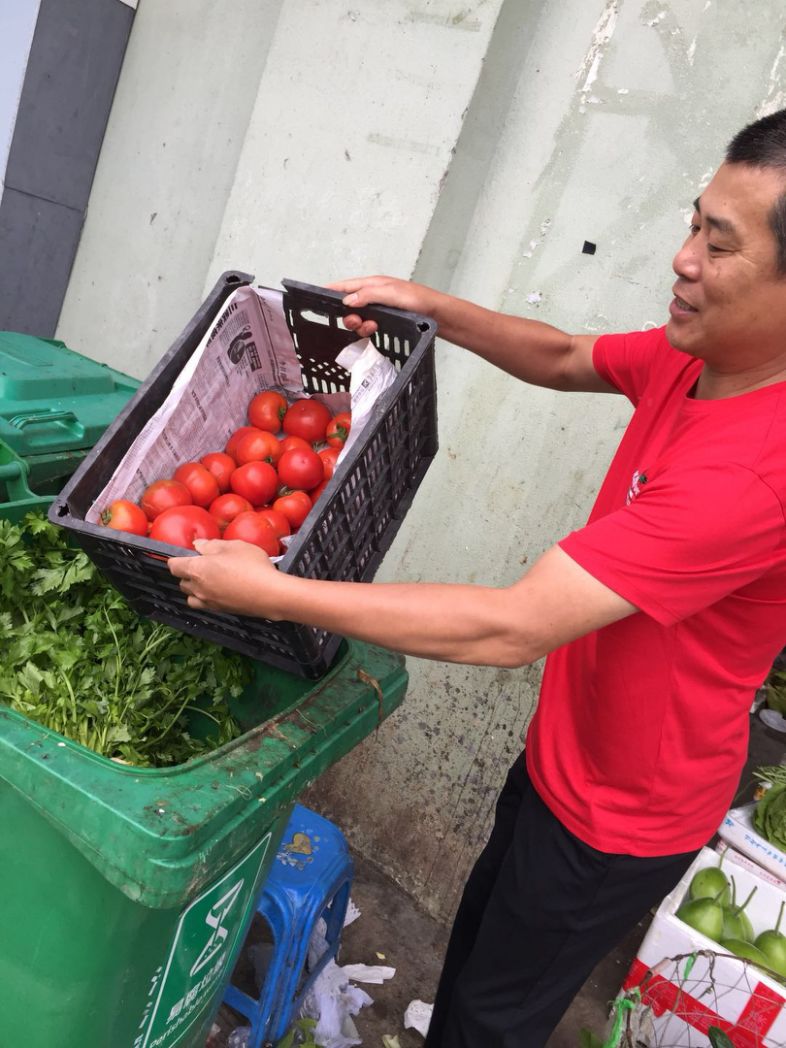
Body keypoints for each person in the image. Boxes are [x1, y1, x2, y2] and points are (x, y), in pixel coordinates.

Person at [170, 108, 786, 1046]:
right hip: (565, 754)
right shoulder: (697, 356)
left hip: (619, 817)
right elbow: (565, 357)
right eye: (694, 223)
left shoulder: (756, 471)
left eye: (721, 244)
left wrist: (274, 591)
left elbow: (513, 626)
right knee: (473, 973)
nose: (684, 258)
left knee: (493, 1021)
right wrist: (432, 305)